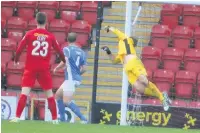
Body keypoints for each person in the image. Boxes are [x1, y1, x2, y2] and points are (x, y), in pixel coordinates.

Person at [10, 12, 66, 124]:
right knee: (49, 94)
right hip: (44, 69)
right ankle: (55, 119)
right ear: (46, 22)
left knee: (24, 93)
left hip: (30, 68)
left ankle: (17, 117)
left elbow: (20, 48)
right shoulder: (50, 36)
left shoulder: (30, 34)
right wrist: (64, 61)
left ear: (36, 21)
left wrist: (16, 60)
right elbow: (59, 51)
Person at [101, 26, 171, 111]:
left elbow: (118, 32)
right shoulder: (121, 53)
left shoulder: (126, 39)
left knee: (143, 80)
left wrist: (110, 28)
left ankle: (162, 99)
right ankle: (162, 95)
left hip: (134, 63)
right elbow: (114, 61)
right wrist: (108, 51)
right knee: (139, 88)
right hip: (127, 69)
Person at [53, 33, 88, 123]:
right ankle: (62, 118)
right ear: (75, 40)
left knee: (66, 101)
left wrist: (57, 68)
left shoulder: (66, 49)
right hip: (75, 78)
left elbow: (64, 61)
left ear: (67, 40)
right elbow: (84, 68)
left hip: (70, 79)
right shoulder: (81, 52)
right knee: (58, 95)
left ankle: (83, 118)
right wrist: (77, 74)